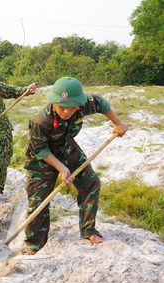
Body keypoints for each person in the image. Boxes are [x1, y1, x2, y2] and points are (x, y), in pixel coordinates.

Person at [23, 76, 128, 255]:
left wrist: (118, 123)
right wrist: (62, 169)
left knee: (91, 183)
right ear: (53, 101)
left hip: (67, 148)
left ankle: (89, 230)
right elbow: (41, 150)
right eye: (61, 106)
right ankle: (34, 245)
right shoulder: (42, 120)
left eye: (71, 107)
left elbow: (102, 104)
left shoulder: (84, 103)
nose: (66, 111)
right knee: (38, 200)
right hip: (43, 157)